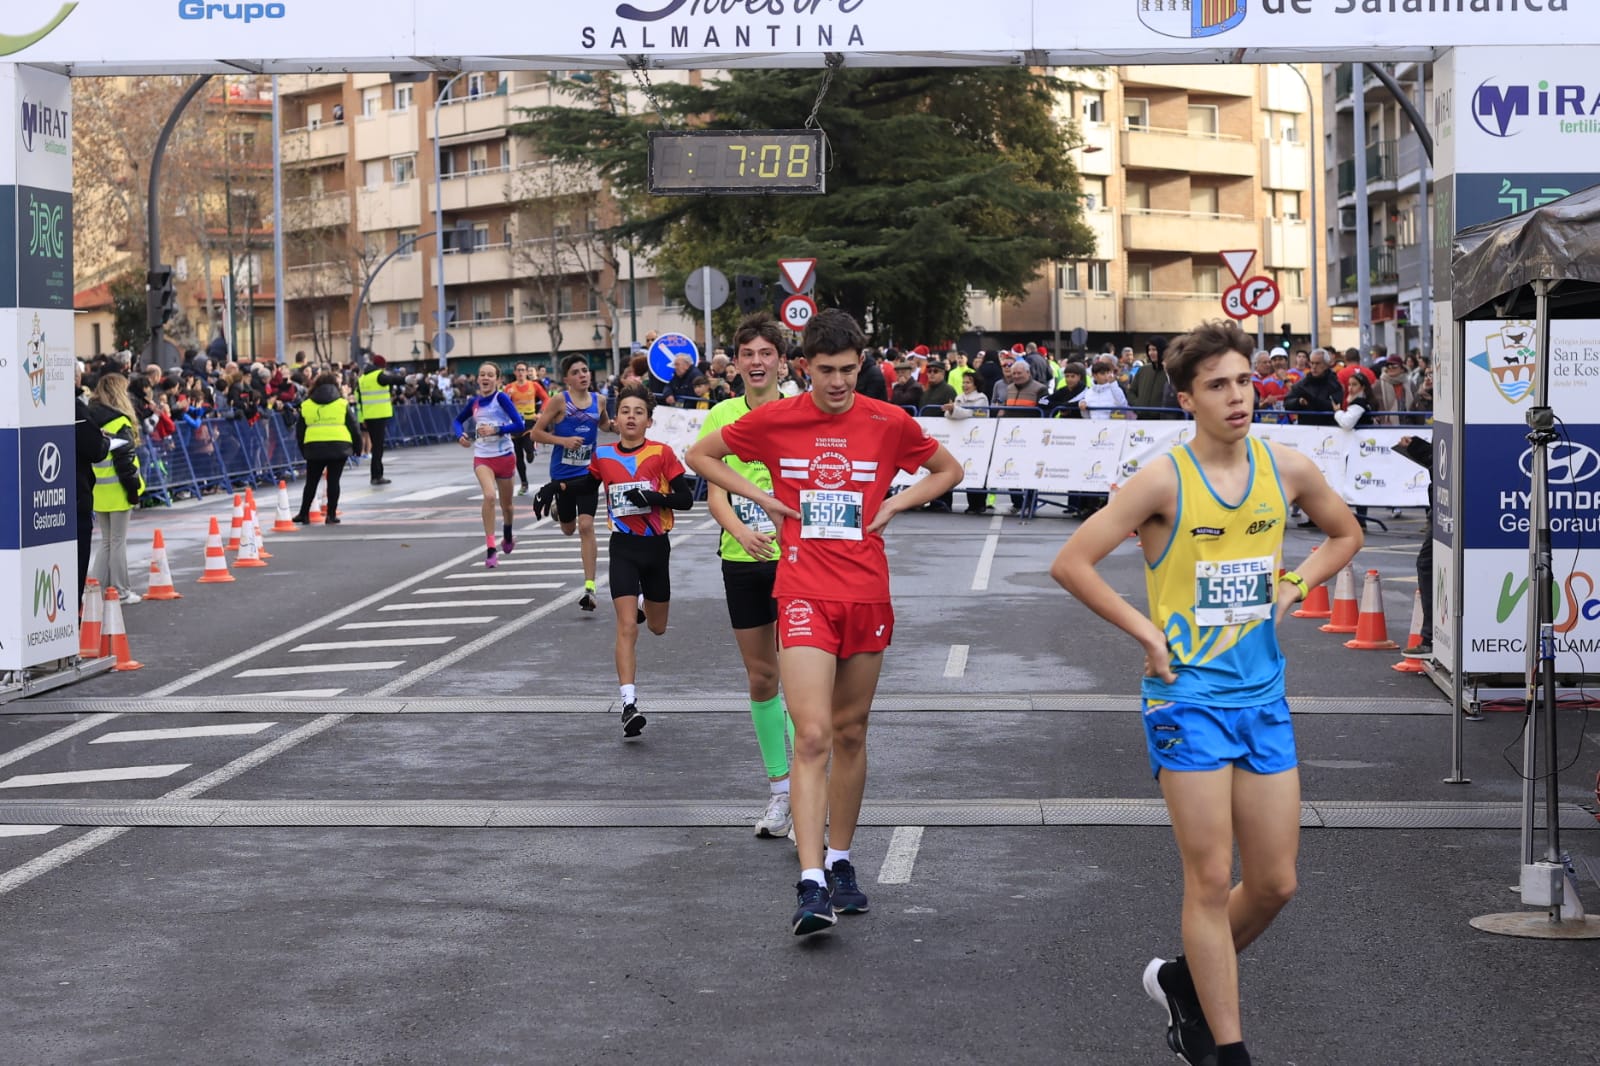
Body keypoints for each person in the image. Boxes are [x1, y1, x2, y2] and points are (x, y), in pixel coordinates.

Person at [1050, 319, 1362, 1066]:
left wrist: (1296, 581)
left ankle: (1187, 981)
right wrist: (1146, 633)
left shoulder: (1285, 468)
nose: (1237, 397)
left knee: (1278, 881)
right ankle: (1227, 1051)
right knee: (1210, 876)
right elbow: (1073, 561)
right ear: (1186, 398)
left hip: (1263, 698)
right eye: (1217, 386)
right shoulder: (1163, 479)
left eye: (1245, 381)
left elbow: (1343, 534)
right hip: (1186, 700)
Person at [686, 307, 963, 938]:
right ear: (803, 366)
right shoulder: (778, 419)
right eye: (825, 371)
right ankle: (810, 882)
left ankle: (840, 861)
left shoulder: (887, 421)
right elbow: (701, 455)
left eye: (847, 370)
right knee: (810, 734)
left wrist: (895, 500)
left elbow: (950, 470)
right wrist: (761, 498)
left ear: (860, 364)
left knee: (850, 732)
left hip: (866, 594)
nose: (837, 383)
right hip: (803, 587)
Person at [698, 312, 798, 834]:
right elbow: (716, 492)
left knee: (803, 683)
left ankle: (810, 794)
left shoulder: (802, 410)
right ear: (734, 364)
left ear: (781, 361)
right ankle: (780, 791)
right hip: (742, 560)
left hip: (798, 564)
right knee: (762, 678)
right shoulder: (720, 416)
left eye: (766, 354)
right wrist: (742, 533)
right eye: (747, 355)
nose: (756, 363)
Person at [585, 385, 694, 737]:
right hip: (624, 548)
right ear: (615, 420)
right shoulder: (602, 456)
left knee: (657, 627)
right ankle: (628, 703)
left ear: (649, 421)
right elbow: (586, 489)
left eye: (639, 412)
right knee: (626, 626)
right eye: (625, 411)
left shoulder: (662, 453)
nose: (631, 416)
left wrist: (654, 497)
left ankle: (647, 605)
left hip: (656, 547)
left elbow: (686, 499)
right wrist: (560, 491)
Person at [529, 354, 614, 611]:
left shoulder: (599, 400)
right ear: (567, 379)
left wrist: (618, 427)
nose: (583, 375)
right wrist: (562, 441)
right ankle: (559, 507)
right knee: (568, 528)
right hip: (563, 475)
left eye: (585, 370)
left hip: (588, 474)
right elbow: (536, 433)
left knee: (585, 526)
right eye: (576, 372)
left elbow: (605, 424)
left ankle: (590, 587)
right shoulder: (559, 402)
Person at [453, 362, 526, 568]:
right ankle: (491, 548)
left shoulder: (501, 398)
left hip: (504, 456)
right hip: (483, 457)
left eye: (490, 375)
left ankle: (508, 535)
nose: (485, 378)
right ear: (478, 379)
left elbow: (519, 424)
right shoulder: (474, 402)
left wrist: (496, 430)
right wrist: (461, 436)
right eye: (482, 374)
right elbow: (457, 421)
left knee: (507, 506)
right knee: (489, 496)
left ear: (497, 380)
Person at [86, 373, 140, 603]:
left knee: (107, 542)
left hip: (99, 489)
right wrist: (133, 489)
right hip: (118, 488)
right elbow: (125, 462)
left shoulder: (90, 418)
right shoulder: (121, 422)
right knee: (118, 541)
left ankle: (95, 590)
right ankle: (121, 590)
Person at [293, 371, 360, 525]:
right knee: (333, 481)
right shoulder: (342, 404)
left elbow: (300, 431)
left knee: (311, 481)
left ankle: (304, 513)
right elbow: (354, 427)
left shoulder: (306, 404)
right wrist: (357, 448)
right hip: (339, 446)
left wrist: (303, 449)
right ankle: (330, 515)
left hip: (314, 447)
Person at [74, 363, 111, 602]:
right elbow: (93, 447)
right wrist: (105, 442)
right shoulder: (75, 409)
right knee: (76, 558)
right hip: (76, 494)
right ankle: (71, 611)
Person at [504, 361, 549, 495]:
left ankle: (530, 450)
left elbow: (546, 399)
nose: (521, 373)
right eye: (518, 370)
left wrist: (540, 413)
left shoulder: (533, 385)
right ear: (515, 372)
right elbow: (503, 403)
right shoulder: (509, 387)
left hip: (530, 421)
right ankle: (524, 483)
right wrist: (508, 397)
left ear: (527, 372)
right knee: (518, 456)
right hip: (515, 422)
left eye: (523, 370)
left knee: (528, 446)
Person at [1284, 348, 1342, 426]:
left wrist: (1312, 401)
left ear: (1326, 365)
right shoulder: (1303, 383)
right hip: (1306, 429)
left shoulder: (1334, 383)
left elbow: (1336, 405)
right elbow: (1287, 403)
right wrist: (1298, 402)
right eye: (1312, 363)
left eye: (1317, 363)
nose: (1314, 367)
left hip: (1328, 429)